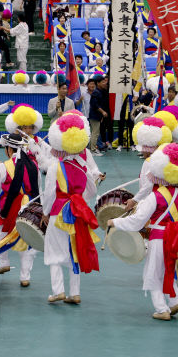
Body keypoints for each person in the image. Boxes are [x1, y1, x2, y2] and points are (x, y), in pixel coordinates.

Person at [108, 143, 178, 320]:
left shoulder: (155, 196)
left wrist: (116, 222)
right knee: (168, 269)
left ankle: (161, 309)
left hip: (159, 238)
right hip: (176, 238)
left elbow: (137, 221)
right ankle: (174, 301)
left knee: (153, 273)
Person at [43, 112, 103, 304]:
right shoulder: (83, 166)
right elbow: (92, 189)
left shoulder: (55, 167)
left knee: (53, 251)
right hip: (77, 211)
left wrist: (45, 212)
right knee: (74, 250)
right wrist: (79, 199)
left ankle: (58, 290)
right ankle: (74, 293)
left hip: (58, 212)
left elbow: (50, 194)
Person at [0, 132, 39, 286]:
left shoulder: (4, 166)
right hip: (30, 204)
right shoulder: (33, 164)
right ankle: (25, 277)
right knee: (26, 237)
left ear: (9, 149)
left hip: (10, 205)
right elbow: (37, 185)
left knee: (0, 231)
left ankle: (4, 262)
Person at [87, 76, 109, 153]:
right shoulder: (96, 92)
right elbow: (95, 105)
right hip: (94, 116)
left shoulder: (100, 91)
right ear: (98, 83)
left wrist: (101, 115)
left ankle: (92, 148)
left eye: (104, 81)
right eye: (102, 82)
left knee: (95, 132)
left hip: (97, 116)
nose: (104, 83)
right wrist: (102, 112)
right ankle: (92, 150)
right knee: (95, 133)